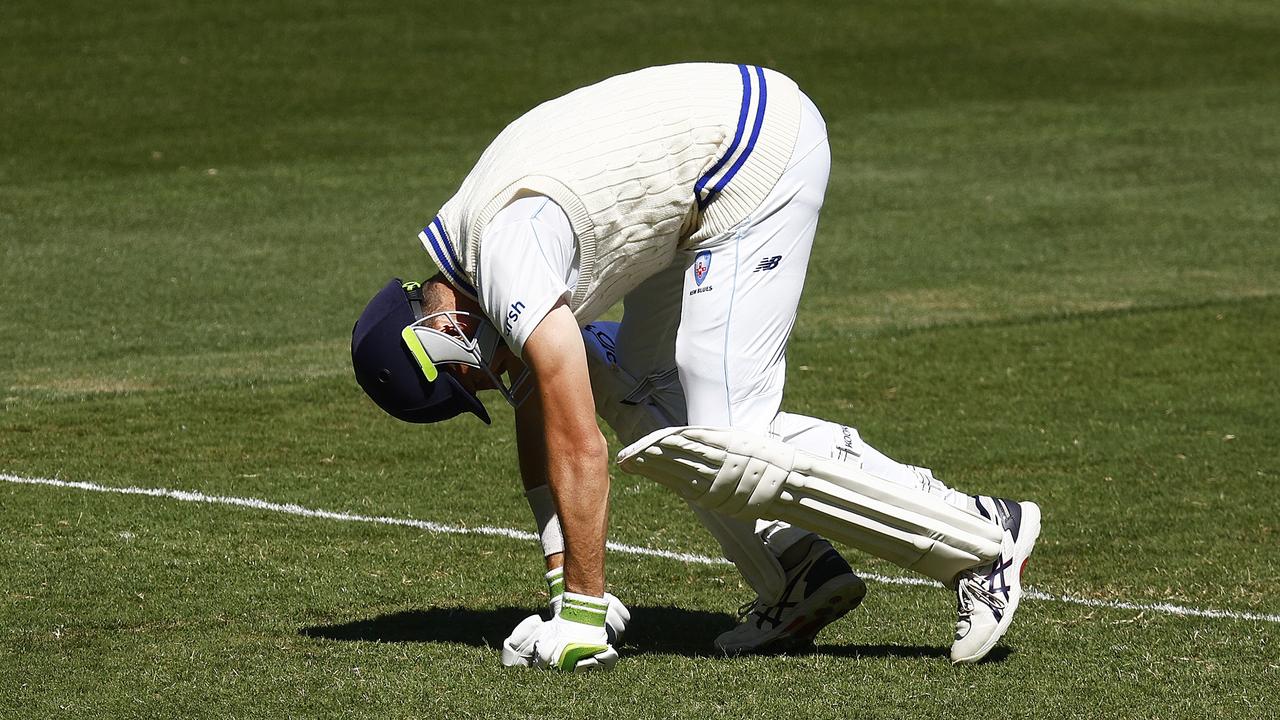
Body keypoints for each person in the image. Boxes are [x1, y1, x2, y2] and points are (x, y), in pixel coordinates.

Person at [351, 63, 1041, 671]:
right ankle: (795, 574)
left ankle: (981, 537)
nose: (486, 382)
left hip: (749, 155)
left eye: (467, 377)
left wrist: (584, 618)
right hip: (690, 185)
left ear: (440, 335)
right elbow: (541, 420)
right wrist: (566, 583)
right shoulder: (478, 268)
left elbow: (578, 444)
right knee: (623, 378)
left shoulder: (505, 254)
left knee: (727, 439)